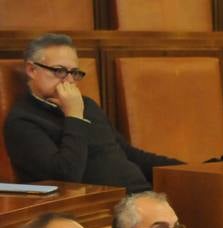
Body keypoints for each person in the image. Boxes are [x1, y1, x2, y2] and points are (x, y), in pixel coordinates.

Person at [3, 33, 183, 191]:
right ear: (32, 70)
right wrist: (74, 116)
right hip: (102, 206)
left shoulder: (87, 105)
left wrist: (188, 170)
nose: (69, 81)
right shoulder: (23, 121)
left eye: (74, 73)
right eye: (59, 71)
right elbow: (65, 176)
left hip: (141, 195)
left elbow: (127, 154)